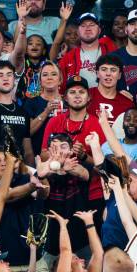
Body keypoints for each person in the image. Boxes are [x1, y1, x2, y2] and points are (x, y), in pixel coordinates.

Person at [42, 76, 107, 226]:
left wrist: (84, 156)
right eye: (72, 92)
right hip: (58, 192)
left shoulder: (97, 124)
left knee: (88, 243)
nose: (77, 95)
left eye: (81, 92)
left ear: (88, 96)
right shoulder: (55, 121)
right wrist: (58, 153)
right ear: (65, 97)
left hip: (92, 193)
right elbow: (43, 153)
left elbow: (105, 165)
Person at [36, 133, 91, 258]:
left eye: (63, 147)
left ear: (71, 150)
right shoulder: (43, 169)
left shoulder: (76, 165)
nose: (59, 151)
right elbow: (43, 194)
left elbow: (85, 174)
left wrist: (63, 167)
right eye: (54, 147)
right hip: (51, 236)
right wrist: (42, 176)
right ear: (49, 151)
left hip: (78, 234)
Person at [0, 60, 33, 165]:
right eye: (0, 75)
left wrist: (31, 173)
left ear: (14, 79)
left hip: (19, 170)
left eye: (9, 75)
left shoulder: (23, 112)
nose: (5, 78)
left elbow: (28, 151)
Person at [58, 12, 116, 90]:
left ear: (99, 30)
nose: (88, 28)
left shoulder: (110, 47)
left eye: (92, 25)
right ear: (78, 32)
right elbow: (61, 88)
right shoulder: (67, 58)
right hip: (80, 101)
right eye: (83, 25)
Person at [23, 61, 63, 156]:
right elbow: (27, 132)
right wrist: (46, 112)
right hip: (39, 155)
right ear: (40, 81)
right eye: (45, 75)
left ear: (60, 80)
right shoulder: (31, 102)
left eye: (54, 74)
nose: (49, 78)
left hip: (65, 155)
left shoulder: (68, 101)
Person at [87, 54, 133, 126]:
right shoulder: (86, 96)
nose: (108, 74)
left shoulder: (127, 104)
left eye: (113, 70)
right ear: (97, 73)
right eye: (104, 69)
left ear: (119, 75)